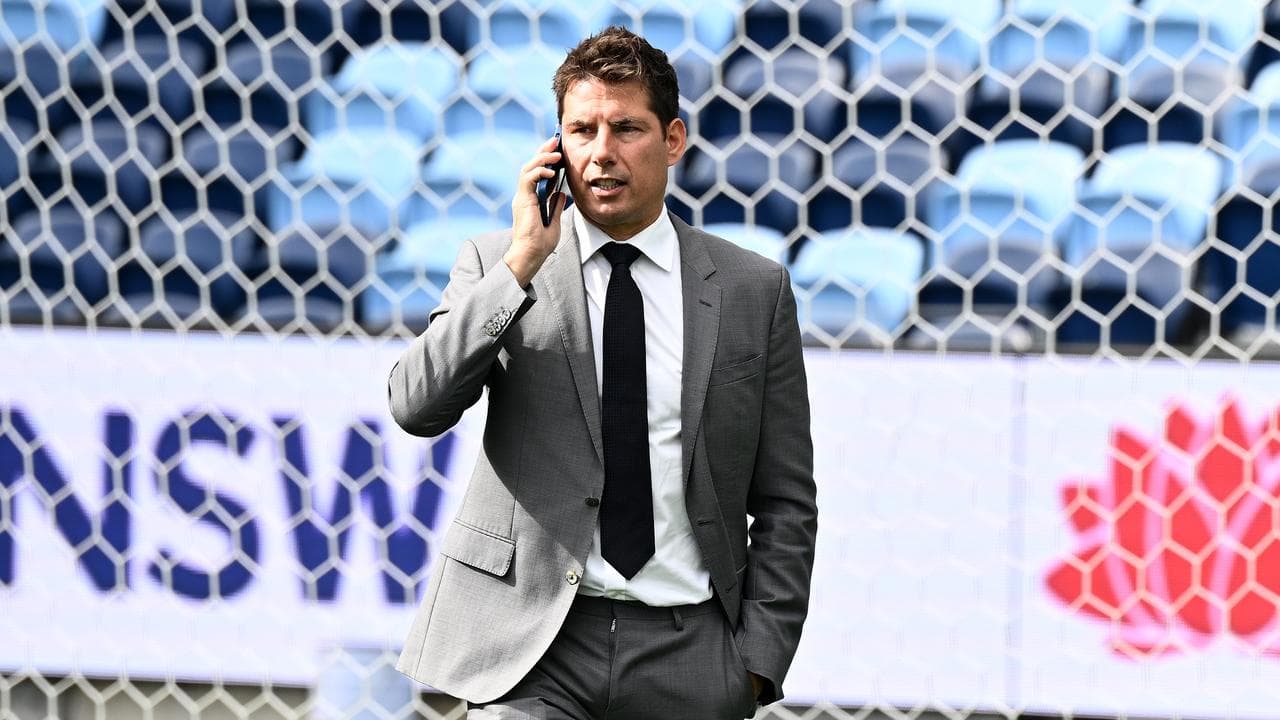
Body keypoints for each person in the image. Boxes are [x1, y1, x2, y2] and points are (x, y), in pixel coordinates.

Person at [387, 26, 817, 720]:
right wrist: (520, 263)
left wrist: (755, 667)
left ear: (673, 140)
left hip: (690, 653)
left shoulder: (752, 290)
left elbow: (786, 499)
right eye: (581, 131)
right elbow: (415, 406)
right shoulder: (497, 264)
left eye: (626, 128)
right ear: (556, 145)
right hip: (532, 650)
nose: (601, 152)